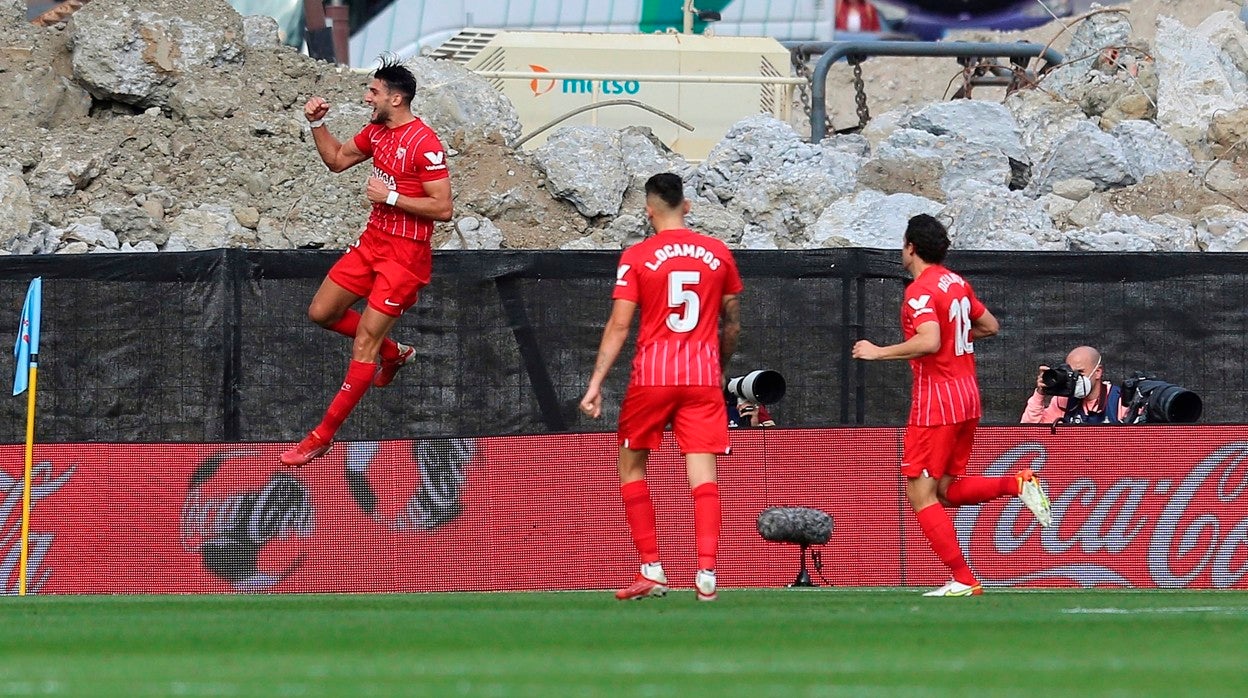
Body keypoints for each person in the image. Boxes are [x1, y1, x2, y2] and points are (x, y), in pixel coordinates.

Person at [852, 214, 1051, 597]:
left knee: (920, 495)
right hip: (967, 396)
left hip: (937, 401)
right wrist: (953, 337)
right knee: (944, 489)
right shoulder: (956, 282)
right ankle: (1018, 482)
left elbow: (928, 341)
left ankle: (963, 578)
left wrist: (878, 353)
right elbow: (990, 325)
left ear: (910, 247)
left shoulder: (920, 290)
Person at [280, 56, 453, 467]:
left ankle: (321, 436)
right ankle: (394, 353)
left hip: (405, 257)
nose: (366, 96)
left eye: (373, 91)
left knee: (364, 344)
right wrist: (316, 124)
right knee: (321, 312)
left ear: (396, 98)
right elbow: (337, 161)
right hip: (372, 242)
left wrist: (390, 197)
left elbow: (443, 208)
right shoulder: (377, 131)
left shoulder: (425, 143)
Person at [579, 172, 743, 603]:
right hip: (702, 377)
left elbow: (619, 324)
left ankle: (652, 567)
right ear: (685, 207)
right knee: (702, 472)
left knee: (631, 467)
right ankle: (707, 571)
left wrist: (596, 382)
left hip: (653, 377)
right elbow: (733, 323)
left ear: (649, 211)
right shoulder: (718, 253)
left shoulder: (637, 256)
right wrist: (719, 366)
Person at [1021, 345, 1128, 424]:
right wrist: (1040, 394)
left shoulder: (1119, 400)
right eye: (1071, 373)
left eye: (1080, 372)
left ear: (1098, 372)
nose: (1075, 378)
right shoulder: (1062, 400)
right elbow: (1029, 432)